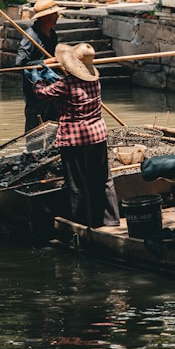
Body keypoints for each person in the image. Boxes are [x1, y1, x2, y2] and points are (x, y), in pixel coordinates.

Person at [29, 42, 120, 228]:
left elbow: (42, 93)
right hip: (97, 135)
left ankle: (82, 224)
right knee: (103, 179)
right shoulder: (95, 80)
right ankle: (111, 220)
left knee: (77, 183)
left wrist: (36, 79)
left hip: (75, 139)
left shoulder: (66, 84)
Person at [16, 0, 61, 132]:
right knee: (35, 126)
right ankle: (32, 152)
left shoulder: (52, 34)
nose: (58, 16)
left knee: (53, 123)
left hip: (51, 87)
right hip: (35, 91)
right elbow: (20, 63)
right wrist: (44, 62)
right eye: (55, 14)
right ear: (46, 17)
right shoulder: (31, 37)